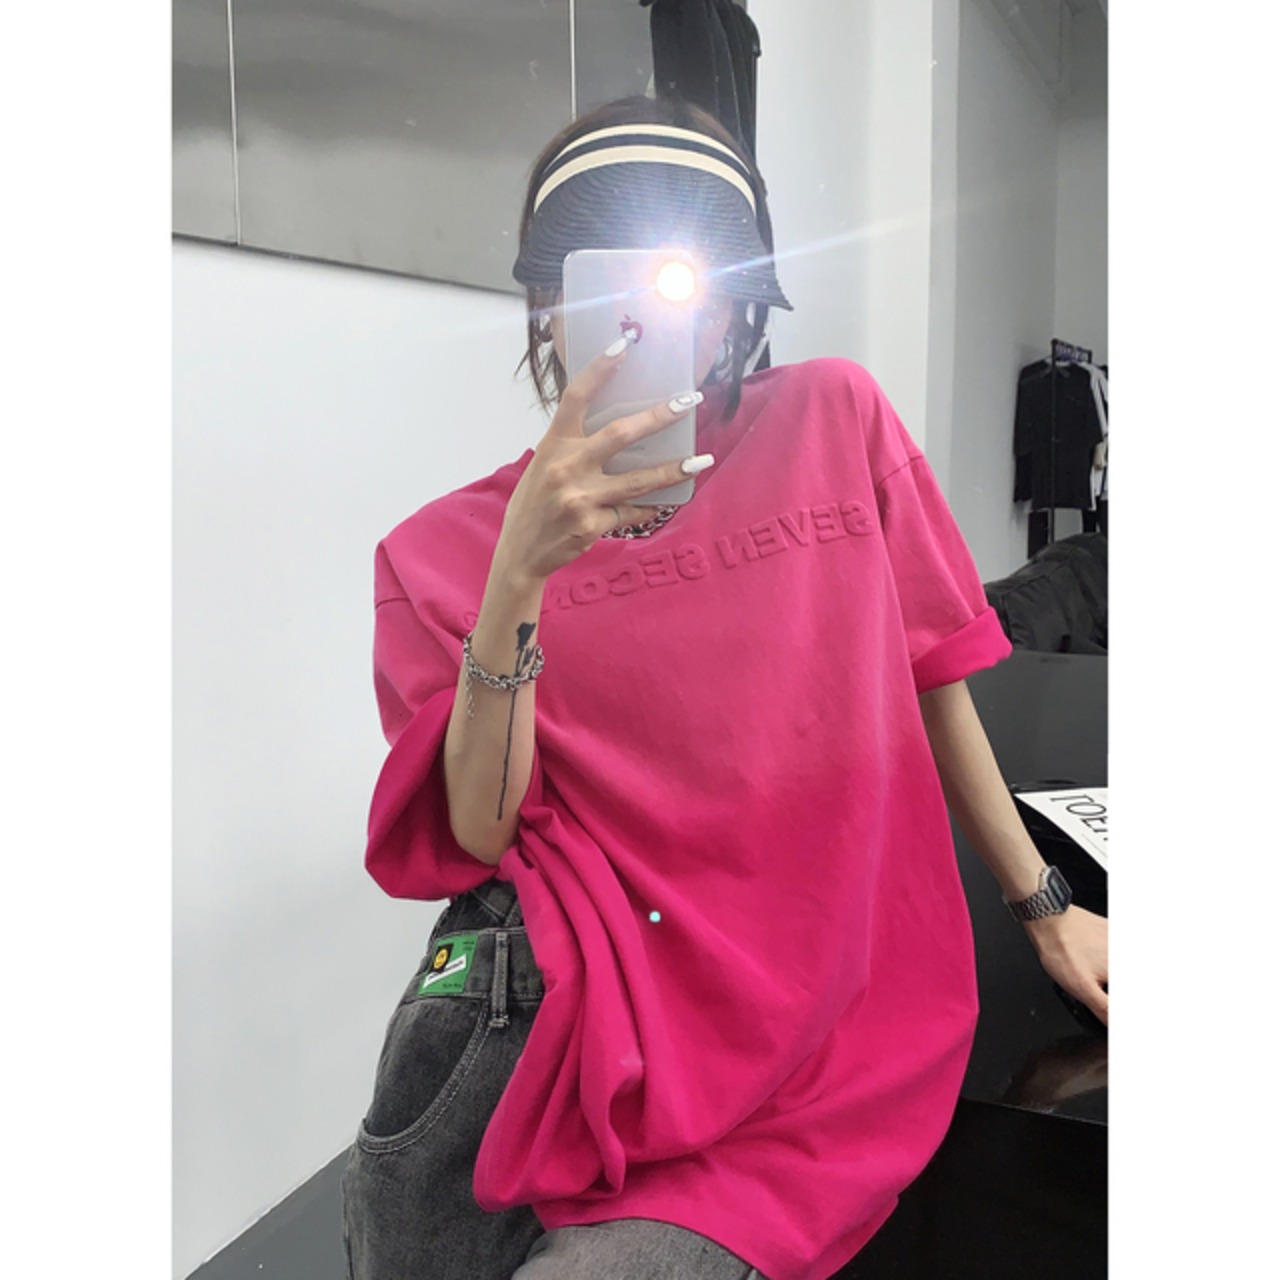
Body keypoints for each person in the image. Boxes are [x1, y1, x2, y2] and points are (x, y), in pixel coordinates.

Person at [340, 94, 1109, 1280]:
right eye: (609, 283)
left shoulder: (834, 419)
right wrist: (517, 581)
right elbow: (483, 830)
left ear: (741, 298)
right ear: (546, 300)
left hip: (816, 1060)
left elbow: (933, 675)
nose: (662, 324)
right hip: (534, 1031)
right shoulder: (439, 555)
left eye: (691, 285)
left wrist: (1041, 902)